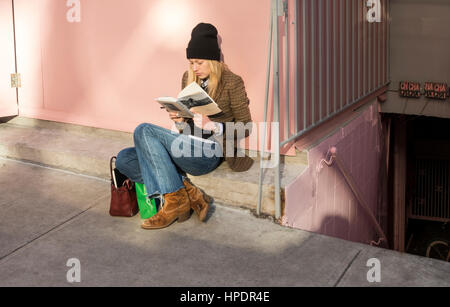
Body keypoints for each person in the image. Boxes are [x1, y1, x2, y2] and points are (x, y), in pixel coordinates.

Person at [115, 23, 253, 230]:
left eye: (199, 62)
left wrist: (215, 126)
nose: (195, 68)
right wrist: (180, 121)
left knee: (144, 129)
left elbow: (246, 126)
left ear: (213, 60)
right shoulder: (188, 78)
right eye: (191, 62)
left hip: (210, 151)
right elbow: (187, 124)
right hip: (186, 143)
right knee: (124, 159)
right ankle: (186, 192)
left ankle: (174, 204)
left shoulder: (232, 82)